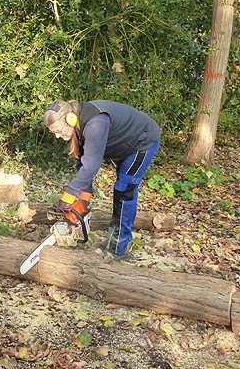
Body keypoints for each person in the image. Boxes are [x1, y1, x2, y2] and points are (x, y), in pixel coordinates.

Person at [43, 99, 161, 261]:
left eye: (58, 130)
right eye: (53, 132)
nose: (57, 136)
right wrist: (83, 200)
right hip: (124, 147)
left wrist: (67, 198)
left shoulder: (95, 123)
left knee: (124, 190)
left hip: (142, 142)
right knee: (121, 188)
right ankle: (116, 239)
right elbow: (83, 163)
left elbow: (91, 166)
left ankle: (120, 247)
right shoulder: (77, 126)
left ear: (70, 119)